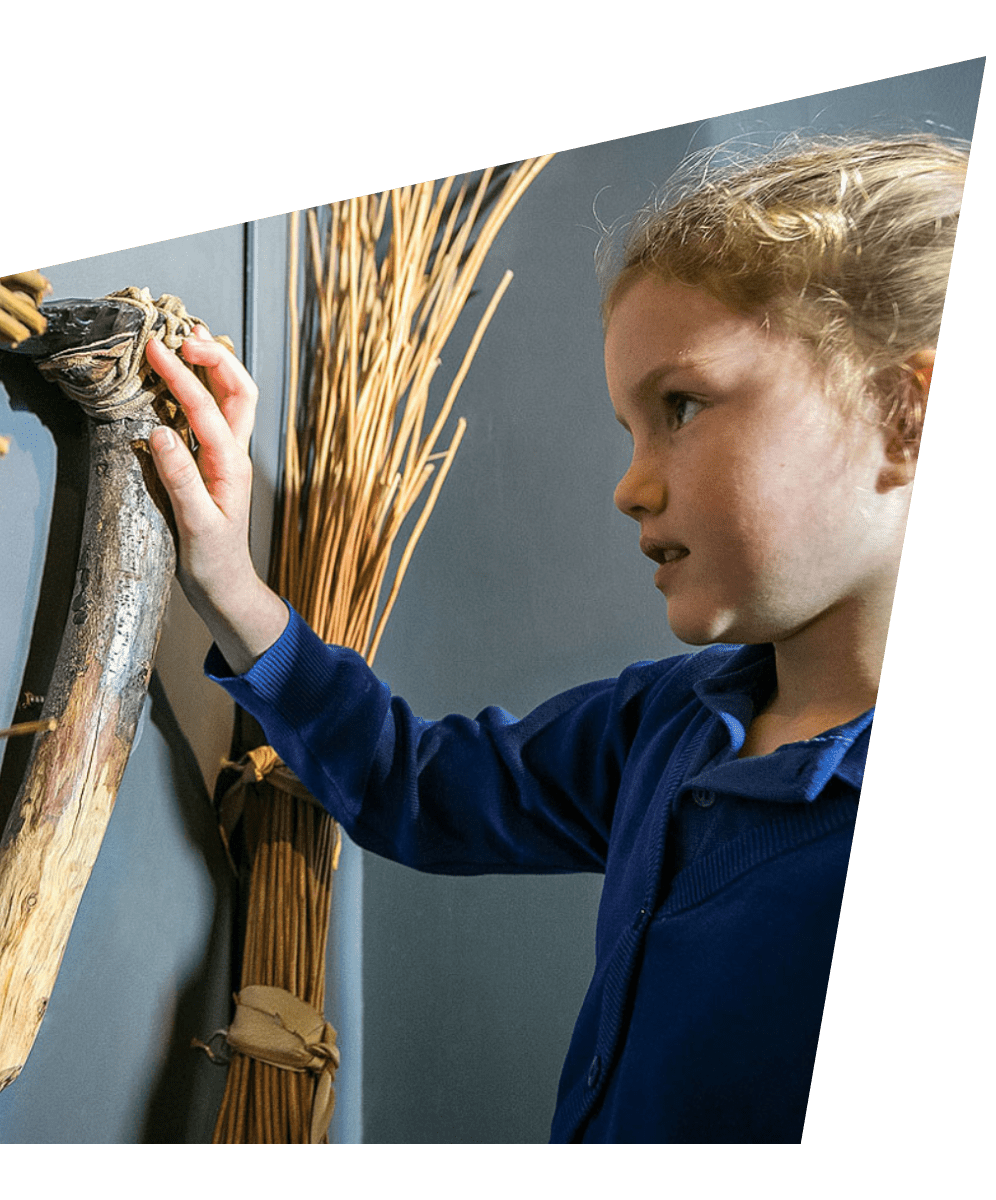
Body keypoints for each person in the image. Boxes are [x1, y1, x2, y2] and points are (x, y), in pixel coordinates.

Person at [143, 135, 966, 1142]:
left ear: (903, 414)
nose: (629, 486)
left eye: (681, 406)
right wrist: (231, 584)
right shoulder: (668, 721)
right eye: (630, 428)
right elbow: (415, 787)